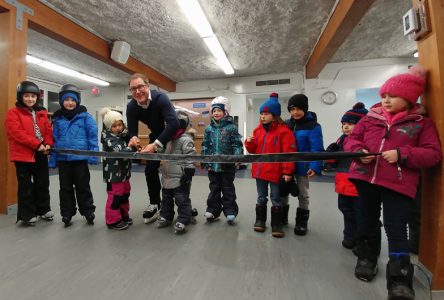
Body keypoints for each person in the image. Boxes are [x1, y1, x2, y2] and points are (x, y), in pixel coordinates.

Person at [344, 65, 442, 299]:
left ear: (409, 98)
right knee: (367, 220)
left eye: (393, 96)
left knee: (396, 228)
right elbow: (351, 141)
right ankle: (367, 259)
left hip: (398, 184)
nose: (386, 100)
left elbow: (433, 154)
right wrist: (359, 151)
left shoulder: (421, 123)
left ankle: (399, 279)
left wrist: (402, 154)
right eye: (384, 95)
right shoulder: (370, 118)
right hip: (366, 178)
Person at [126, 73, 179, 224]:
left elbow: (174, 124)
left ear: (148, 85)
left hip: (175, 134)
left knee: (177, 170)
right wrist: (133, 137)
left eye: (140, 87)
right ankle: (155, 203)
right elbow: (131, 130)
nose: (137, 91)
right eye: (133, 89)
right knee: (150, 170)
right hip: (156, 134)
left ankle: (182, 203)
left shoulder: (160, 98)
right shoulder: (131, 106)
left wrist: (155, 144)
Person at [244, 93, 296, 238]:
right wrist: (249, 142)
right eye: (261, 113)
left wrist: (288, 172)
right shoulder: (257, 130)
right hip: (260, 171)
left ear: (275, 115)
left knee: (276, 197)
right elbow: (253, 150)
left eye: (266, 113)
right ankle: (260, 220)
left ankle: (277, 224)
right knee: (261, 197)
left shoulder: (284, 132)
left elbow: (289, 154)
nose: (263, 116)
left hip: (276, 172)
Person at [5, 81, 54, 226]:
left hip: (41, 153)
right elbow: (16, 133)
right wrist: (37, 144)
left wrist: (48, 144)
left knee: (42, 183)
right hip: (23, 155)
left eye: (33, 96)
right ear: (20, 97)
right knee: (25, 186)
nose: (30, 99)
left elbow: (48, 130)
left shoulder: (42, 112)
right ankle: (27, 214)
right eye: (26, 96)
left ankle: (44, 209)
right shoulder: (13, 113)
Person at [49, 84, 98, 227]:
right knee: (65, 188)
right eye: (66, 99)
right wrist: (53, 159)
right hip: (64, 160)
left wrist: (93, 155)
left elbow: (92, 137)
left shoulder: (85, 117)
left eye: (73, 99)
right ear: (61, 101)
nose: (70, 102)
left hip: (80, 160)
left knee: (83, 186)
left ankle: (88, 211)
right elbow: (55, 140)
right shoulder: (58, 119)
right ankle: (67, 213)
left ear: (77, 101)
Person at [326, 103, 368, 249]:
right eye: (344, 123)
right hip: (343, 184)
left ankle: (361, 240)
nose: (345, 127)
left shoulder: (365, 142)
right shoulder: (341, 140)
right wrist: (330, 156)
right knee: (346, 211)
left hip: (359, 185)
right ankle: (349, 236)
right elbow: (333, 161)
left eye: (351, 123)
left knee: (361, 214)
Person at [283, 94, 324, 235]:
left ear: (305, 109)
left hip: (303, 168)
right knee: (283, 192)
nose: (295, 112)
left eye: (299, 109)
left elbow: (317, 148)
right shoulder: (286, 125)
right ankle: (282, 219)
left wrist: (315, 166)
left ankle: (301, 223)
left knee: (303, 195)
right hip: (286, 166)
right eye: (292, 109)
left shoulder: (313, 126)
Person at [201, 96, 244, 225]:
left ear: (225, 112)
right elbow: (205, 145)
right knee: (214, 189)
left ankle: (230, 211)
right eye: (214, 111)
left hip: (227, 166)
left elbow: (237, 144)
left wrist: (236, 159)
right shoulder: (209, 129)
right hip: (213, 166)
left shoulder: (231, 128)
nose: (216, 113)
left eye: (219, 110)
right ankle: (213, 210)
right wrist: (206, 162)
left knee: (227, 188)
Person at [157, 110, 196, 233]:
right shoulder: (167, 139)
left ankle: (184, 219)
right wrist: (159, 146)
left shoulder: (186, 140)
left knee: (182, 199)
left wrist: (188, 172)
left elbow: (190, 156)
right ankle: (166, 216)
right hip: (167, 176)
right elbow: (161, 154)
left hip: (180, 177)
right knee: (166, 199)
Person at [100, 108, 136, 231]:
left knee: (125, 195)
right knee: (115, 197)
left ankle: (123, 215)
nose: (118, 128)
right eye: (114, 126)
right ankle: (112, 220)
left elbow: (128, 139)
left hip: (124, 174)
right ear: (109, 127)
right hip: (113, 175)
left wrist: (133, 142)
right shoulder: (109, 139)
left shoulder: (122, 136)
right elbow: (120, 152)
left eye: (120, 125)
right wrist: (131, 147)